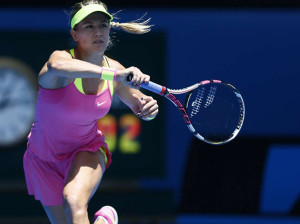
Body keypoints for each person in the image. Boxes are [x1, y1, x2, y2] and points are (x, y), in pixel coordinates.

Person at [23, 1, 159, 223]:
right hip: (43, 158)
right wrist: (113, 76)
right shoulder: (60, 59)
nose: (98, 32)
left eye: (103, 25)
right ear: (75, 34)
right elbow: (59, 68)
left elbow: (141, 105)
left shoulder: (116, 69)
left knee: (74, 200)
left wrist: (148, 108)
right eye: (89, 26)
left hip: (86, 149)